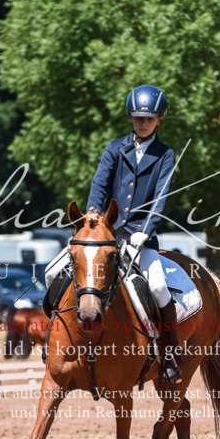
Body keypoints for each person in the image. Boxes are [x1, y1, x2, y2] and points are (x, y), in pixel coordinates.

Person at [46, 84, 182, 381]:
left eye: (149, 118)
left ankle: (170, 352)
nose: (143, 123)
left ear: (159, 119)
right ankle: (54, 339)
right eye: (137, 117)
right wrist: (93, 217)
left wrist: (145, 230)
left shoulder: (165, 155)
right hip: (104, 235)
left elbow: (161, 197)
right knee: (52, 272)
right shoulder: (114, 148)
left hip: (140, 238)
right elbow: (99, 184)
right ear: (130, 117)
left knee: (158, 287)